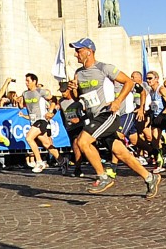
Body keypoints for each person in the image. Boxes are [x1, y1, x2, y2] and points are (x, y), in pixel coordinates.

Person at [69, 38, 161, 197]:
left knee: (82, 141)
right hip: (93, 116)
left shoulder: (104, 68)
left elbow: (129, 83)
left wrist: (118, 101)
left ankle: (102, 176)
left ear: (89, 51)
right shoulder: (79, 73)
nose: (76, 54)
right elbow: (79, 98)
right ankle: (150, 177)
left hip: (107, 114)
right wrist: (74, 90)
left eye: (78, 50)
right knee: (121, 152)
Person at [21, 73, 61, 172]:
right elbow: (21, 106)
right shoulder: (25, 93)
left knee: (29, 138)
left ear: (34, 81)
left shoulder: (40, 91)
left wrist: (51, 111)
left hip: (41, 120)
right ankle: (62, 160)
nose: (26, 83)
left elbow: (54, 99)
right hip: (33, 121)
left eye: (28, 81)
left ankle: (39, 162)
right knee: (47, 144)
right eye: (25, 81)